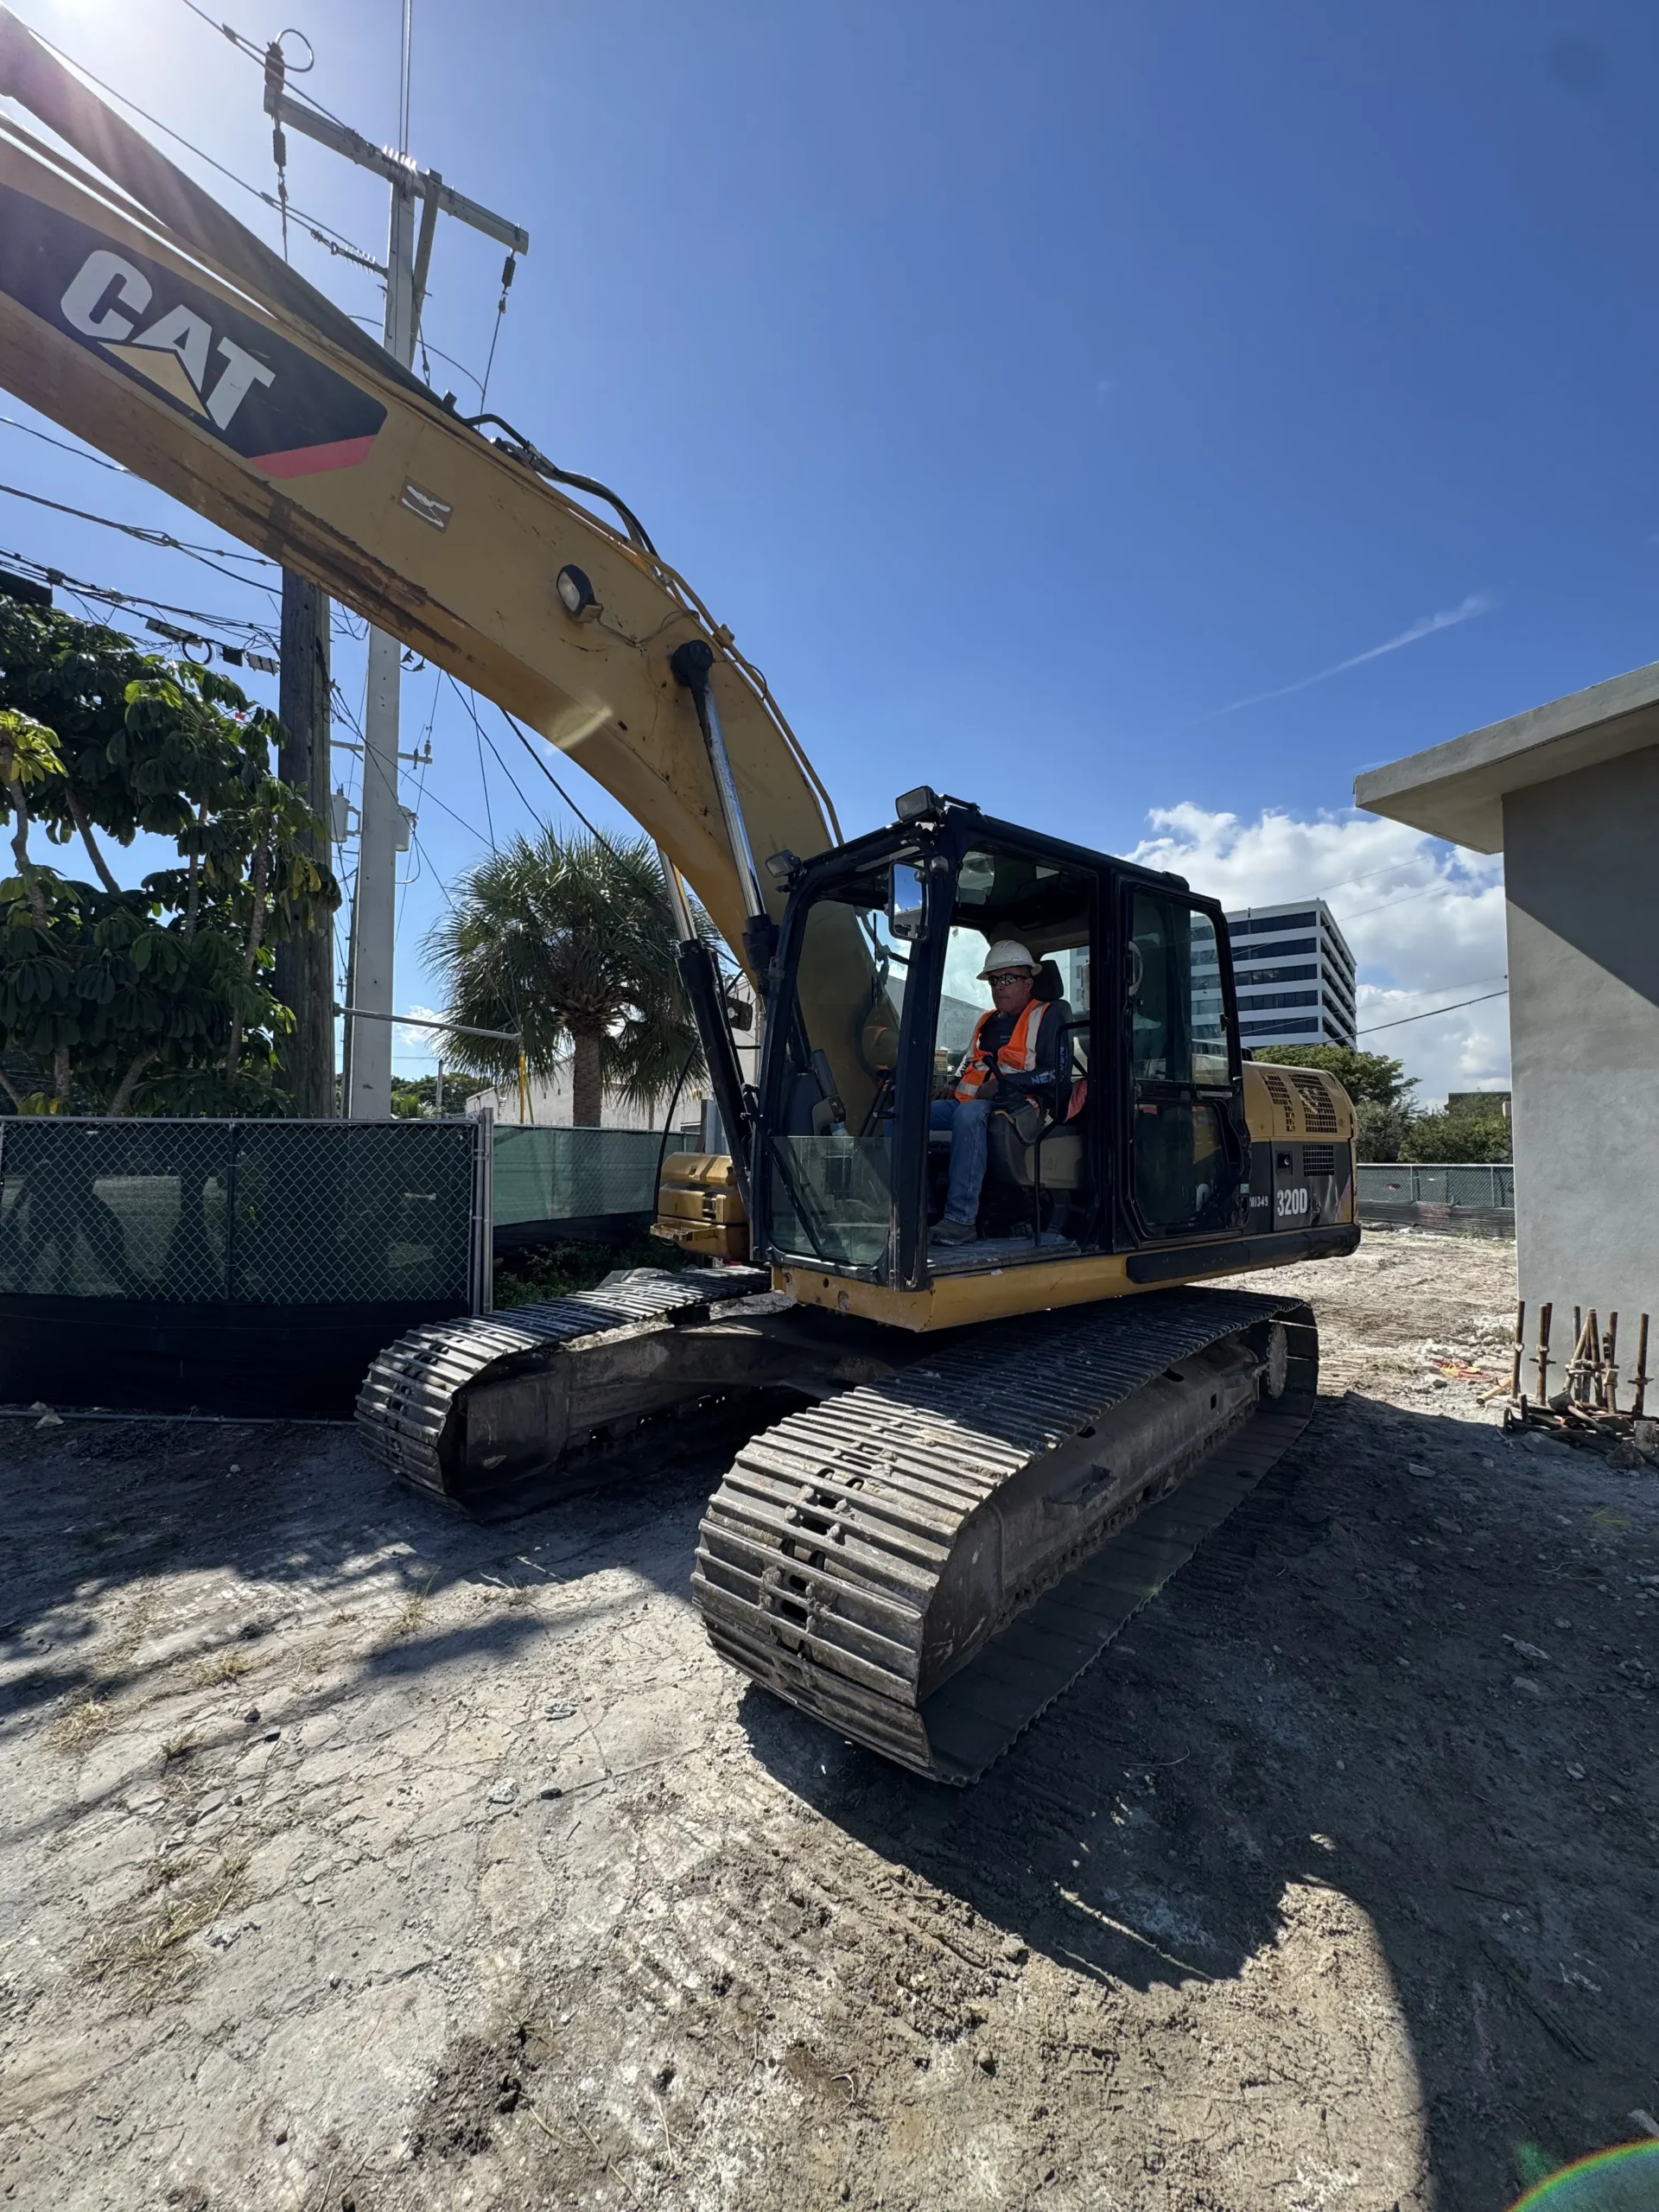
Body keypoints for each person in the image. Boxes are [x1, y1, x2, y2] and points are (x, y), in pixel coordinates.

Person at [929, 940, 1063, 1244]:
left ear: (1028, 982)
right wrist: (952, 1086)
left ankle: (961, 1220)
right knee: (902, 1114)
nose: (999, 986)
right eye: (994, 980)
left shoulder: (1047, 1016)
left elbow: (1055, 1073)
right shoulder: (986, 1020)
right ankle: (911, 1207)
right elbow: (970, 1062)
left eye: (1008, 978)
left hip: (1019, 1105)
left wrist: (1007, 1084)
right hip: (970, 1101)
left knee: (969, 1115)